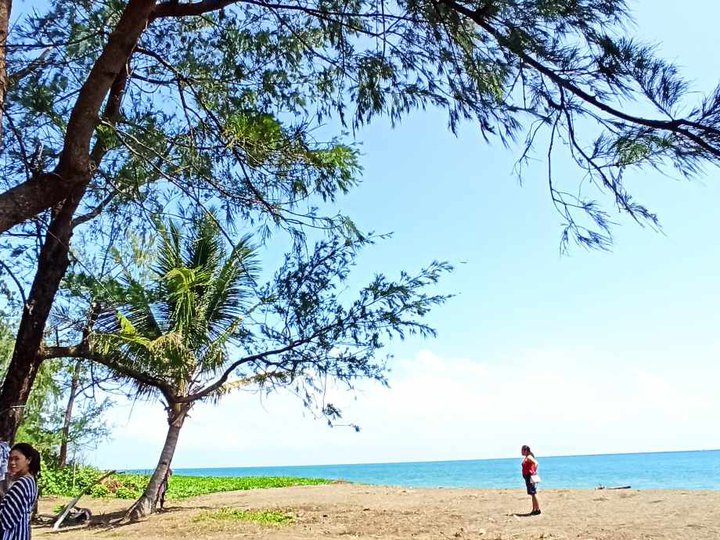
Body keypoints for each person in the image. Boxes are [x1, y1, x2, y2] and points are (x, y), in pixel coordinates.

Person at [0, 443, 40, 540]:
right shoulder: (30, 480)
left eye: (17, 459)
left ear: (28, 460)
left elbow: (5, 520)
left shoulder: (22, 483)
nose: (12, 462)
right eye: (10, 459)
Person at [521, 444, 541, 515]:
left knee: (534, 493)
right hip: (528, 477)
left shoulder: (529, 457)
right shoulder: (527, 457)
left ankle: (538, 509)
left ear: (526, 450)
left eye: (522, 450)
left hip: (530, 477)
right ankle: (534, 509)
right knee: (532, 494)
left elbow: (536, 463)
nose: (521, 452)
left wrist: (533, 471)